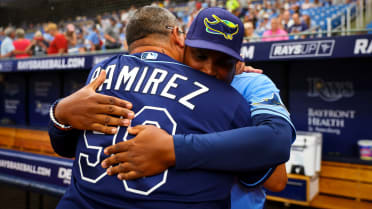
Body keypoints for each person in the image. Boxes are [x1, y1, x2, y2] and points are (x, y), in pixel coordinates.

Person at [50, 6, 293, 209]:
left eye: (224, 62)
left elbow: (277, 178)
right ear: (181, 40)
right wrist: (59, 112)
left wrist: (173, 149)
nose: (208, 70)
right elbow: (67, 145)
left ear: (238, 61)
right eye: (200, 56)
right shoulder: (104, 80)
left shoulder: (250, 83)